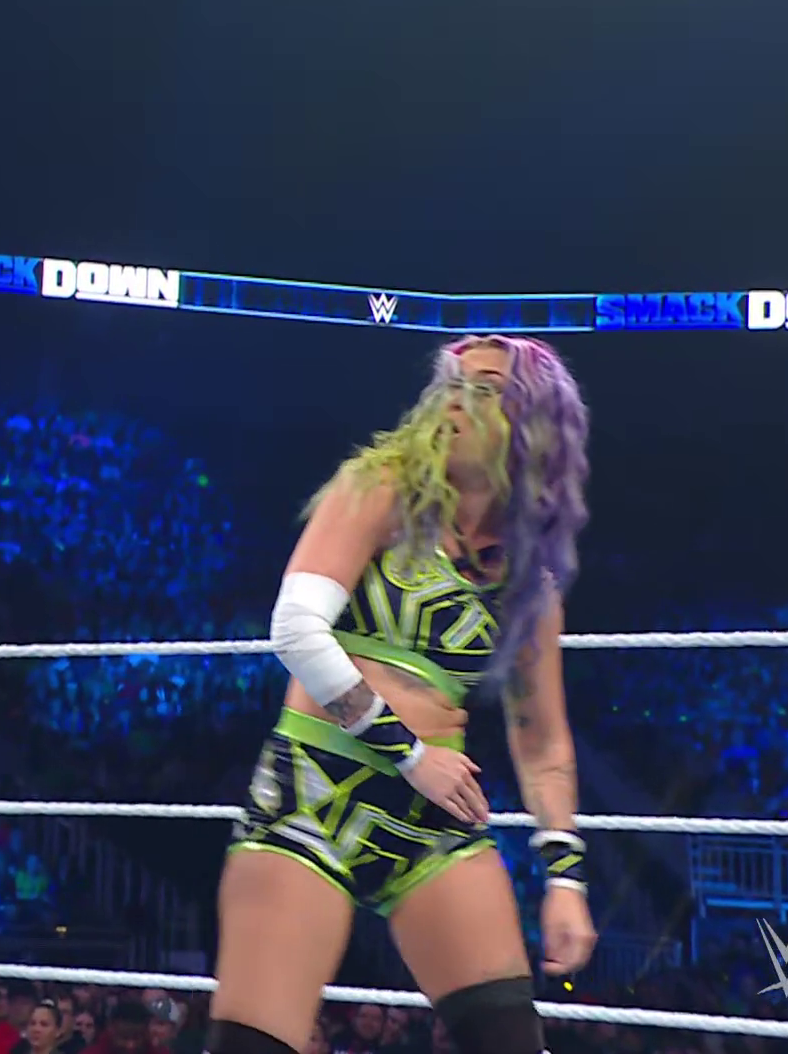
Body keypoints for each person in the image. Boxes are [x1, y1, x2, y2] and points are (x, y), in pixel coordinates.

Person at [206, 337, 598, 1054]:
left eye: (484, 389)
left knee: (511, 1040)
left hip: (432, 821)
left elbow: (542, 742)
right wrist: (410, 754)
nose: (457, 401)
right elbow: (295, 629)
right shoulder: (380, 487)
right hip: (314, 793)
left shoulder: (529, 576)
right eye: (452, 383)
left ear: (534, 423)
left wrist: (566, 880)